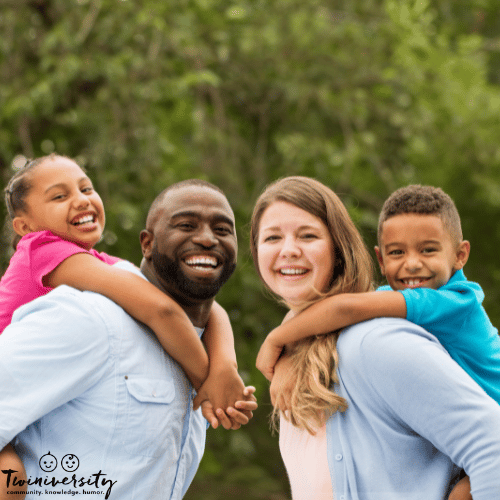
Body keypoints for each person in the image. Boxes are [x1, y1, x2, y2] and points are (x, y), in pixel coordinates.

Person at [0, 177, 257, 499]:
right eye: (186, 225)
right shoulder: (87, 319)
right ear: (147, 244)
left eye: (222, 230)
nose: (207, 239)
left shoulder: (197, 346)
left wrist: (222, 367)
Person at [250, 176, 500, 500]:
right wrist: (289, 354)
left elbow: (343, 307)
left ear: (460, 255)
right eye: (271, 237)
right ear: (381, 259)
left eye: (308, 235)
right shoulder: (381, 310)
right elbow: (331, 312)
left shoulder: (440, 306)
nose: (411, 264)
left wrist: (276, 340)